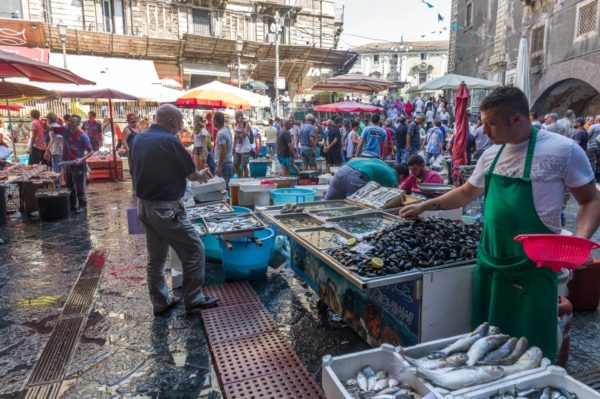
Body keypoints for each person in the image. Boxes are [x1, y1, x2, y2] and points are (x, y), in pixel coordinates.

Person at [400, 86, 600, 362]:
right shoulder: (491, 155)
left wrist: (580, 241)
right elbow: (467, 192)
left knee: (532, 349)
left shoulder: (562, 150)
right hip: (491, 262)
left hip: (533, 267)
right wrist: (425, 206)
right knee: (486, 345)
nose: (484, 131)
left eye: (491, 123)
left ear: (516, 119)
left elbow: (591, 200)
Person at [130, 104, 219, 316]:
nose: (181, 127)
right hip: (166, 207)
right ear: (171, 121)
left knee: (156, 258)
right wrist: (202, 174)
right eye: (179, 122)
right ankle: (194, 298)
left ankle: (160, 302)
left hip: (143, 205)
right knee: (194, 249)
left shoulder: (139, 138)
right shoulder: (170, 141)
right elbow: (191, 174)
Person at [324, 157, 398, 200]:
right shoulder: (393, 178)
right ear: (401, 176)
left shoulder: (381, 163)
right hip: (354, 176)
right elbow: (394, 194)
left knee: (327, 205)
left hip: (341, 172)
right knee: (362, 207)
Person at [62, 115, 93, 212]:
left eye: (73, 122)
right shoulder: (65, 132)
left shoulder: (83, 136)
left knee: (80, 186)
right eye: (69, 121)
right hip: (68, 163)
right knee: (69, 185)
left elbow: (91, 151)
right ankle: (72, 205)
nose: (70, 123)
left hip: (79, 163)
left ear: (78, 124)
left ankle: (82, 206)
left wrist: (82, 159)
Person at [213, 112, 234, 195]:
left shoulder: (221, 133)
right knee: (226, 188)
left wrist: (219, 166)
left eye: (213, 120)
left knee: (224, 190)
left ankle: (228, 206)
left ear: (216, 121)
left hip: (224, 164)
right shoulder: (227, 130)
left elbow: (223, 150)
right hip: (228, 162)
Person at [45, 113, 64, 188]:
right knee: (55, 169)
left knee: (56, 170)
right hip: (54, 150)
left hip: (57, 151)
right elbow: (52, 140)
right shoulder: (52, 127)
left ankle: (57, 187)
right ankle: (57, 186)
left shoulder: (55, 127)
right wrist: (48, 150)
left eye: (47, 119)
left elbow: (61, 138)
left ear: (49, 120)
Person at [233, 111, 251, 178]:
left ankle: (245, 179)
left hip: (245, 149)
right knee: (235, 164)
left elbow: (244, 134)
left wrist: (241, 124)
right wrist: (234, 148)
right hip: (238, 148)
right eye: (235, 116)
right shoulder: (235, 124)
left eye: (237, 116)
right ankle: (241, 177)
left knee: (244, 165)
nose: (236, 118)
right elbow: (235, 137)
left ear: (241, 116)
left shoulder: (246, 124)